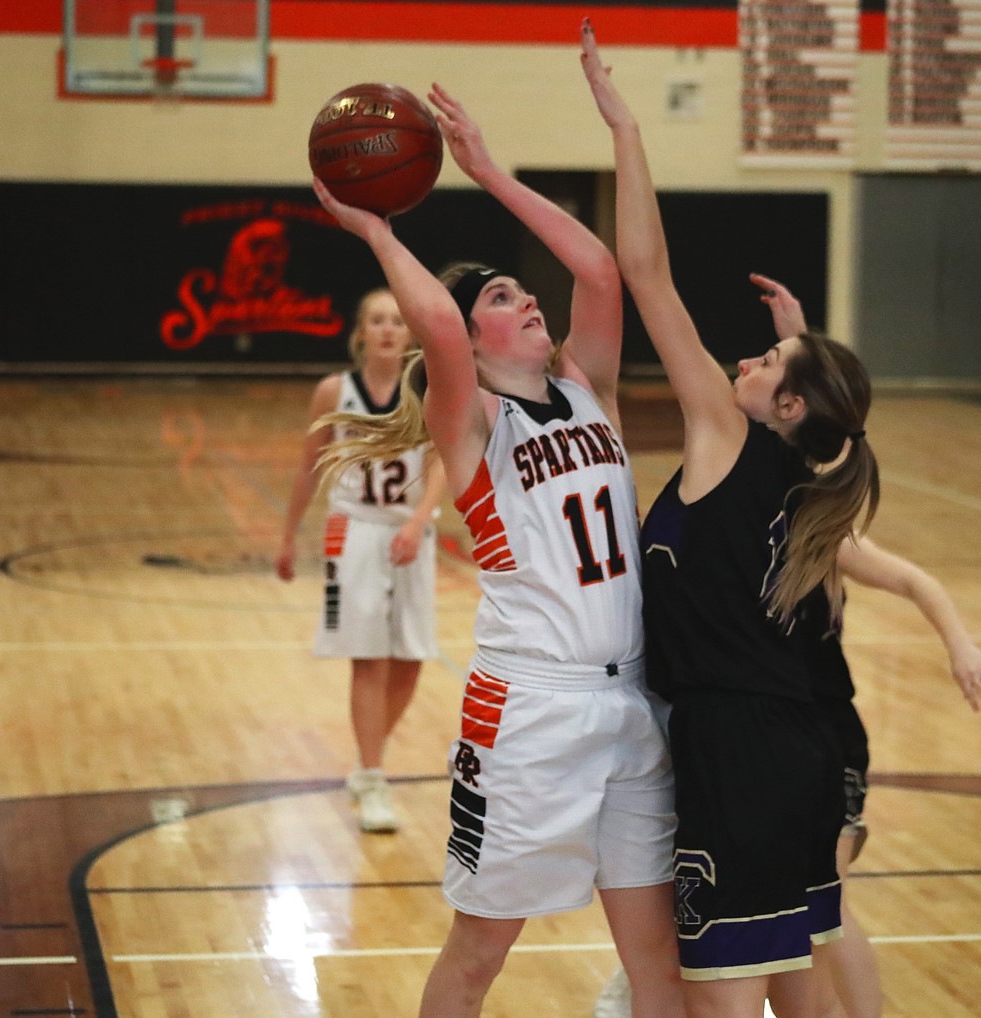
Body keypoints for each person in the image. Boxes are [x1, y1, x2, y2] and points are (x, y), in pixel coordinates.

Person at [311, 78, 685, 1018]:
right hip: (529, 711)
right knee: (481, 954)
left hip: (632, 699)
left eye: (525, 292)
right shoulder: (471, 421)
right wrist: (378, 231)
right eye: (507, 297)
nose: (531, 301)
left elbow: (600, 269)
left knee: (658, 967)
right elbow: (435, 322)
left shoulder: (588, 386)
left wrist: (488, 172)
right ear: (473, 341)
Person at [582, 21, 879, 1018]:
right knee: (804, 999)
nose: (741, 363)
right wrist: (802, 344)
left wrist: (625, 127)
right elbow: (814, 411)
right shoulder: (812, 472)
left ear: (783, 406)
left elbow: (645, 268)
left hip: (735, 759)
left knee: (725, 1005)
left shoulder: (726, 430)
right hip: (802, 754)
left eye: (762, 365)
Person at [592, 535, 981, 1018]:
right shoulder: (726, 532)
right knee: (742, 899)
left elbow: (917, 580)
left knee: (826, 912)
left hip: (824, 736)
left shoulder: (812, 528)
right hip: (755, 741)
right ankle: (654, 976)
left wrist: (961, 646)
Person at [275, 287, 446, 833]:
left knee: (412, 658)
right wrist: (287, 535)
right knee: (368, 657)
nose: (389, 329)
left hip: (408, 530)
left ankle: (367, 755)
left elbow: (442, 459)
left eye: (398, 320)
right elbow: (310, 465)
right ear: (361, 332)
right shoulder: (334, 391)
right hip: (351, 531)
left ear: (409, 333)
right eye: (377, 320)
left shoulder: (427, 388)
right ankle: (373, 776)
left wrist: (420, 518)